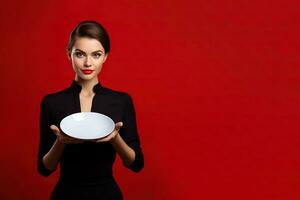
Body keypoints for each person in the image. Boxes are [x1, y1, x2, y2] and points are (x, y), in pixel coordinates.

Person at [37, 20, 144, 200]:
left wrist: (115, 138)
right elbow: (44, 169)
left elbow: (136, 164)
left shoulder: (121, 101)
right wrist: (60, 141)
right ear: (68, 54)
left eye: (96, 55)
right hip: (66, 194)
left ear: (105, 56)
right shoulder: (52, 103)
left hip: (107, 194)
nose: (88, 63)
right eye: (80, 54)